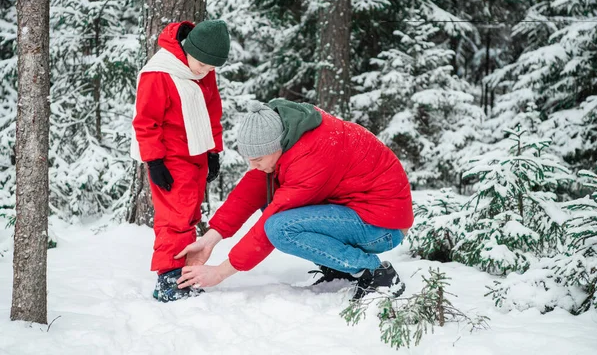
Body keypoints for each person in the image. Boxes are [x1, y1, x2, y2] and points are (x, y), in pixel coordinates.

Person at [174, 99, 414, 301]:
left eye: (257, 159)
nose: (253, 166)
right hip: (356, 212)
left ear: (276, 146)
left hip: (382, 226)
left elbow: (269, 226)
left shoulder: (311, 156)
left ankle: (375, 273)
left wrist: (220, 273)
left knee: (280, 228)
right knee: (269, 198)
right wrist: (209, 240)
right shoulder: (287, 135)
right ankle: (340, 267)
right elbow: (253, 187)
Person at [130, 20, 230, 302]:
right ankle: (169, 277)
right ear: (189, 50)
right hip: (170, 158)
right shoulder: (159, 74)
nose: (206, 72)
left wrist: (213, 152)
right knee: (175, 217)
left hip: (197, 153)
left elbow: (212, 112)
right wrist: (154, 161)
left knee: (190, 215)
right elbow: (146, 121)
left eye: (212, 69)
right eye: (203, 65)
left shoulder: (201, 70)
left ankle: (185, 270)